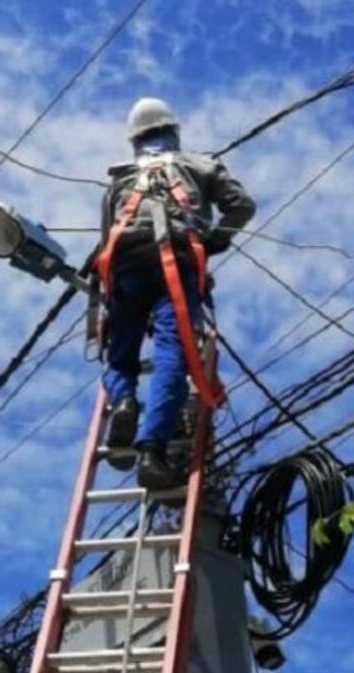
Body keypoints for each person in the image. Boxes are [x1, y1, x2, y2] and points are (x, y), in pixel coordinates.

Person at [94, 97, 256, 489]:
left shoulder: (118, 179)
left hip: (124, 263)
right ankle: (152, 451)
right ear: (174, 133)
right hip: (176, 262)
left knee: (120, 353)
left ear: (136, 141)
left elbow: (105, 239)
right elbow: (242, 206)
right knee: (172, 352)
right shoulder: (199, 164)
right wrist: (216, 240)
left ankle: (125, 401)